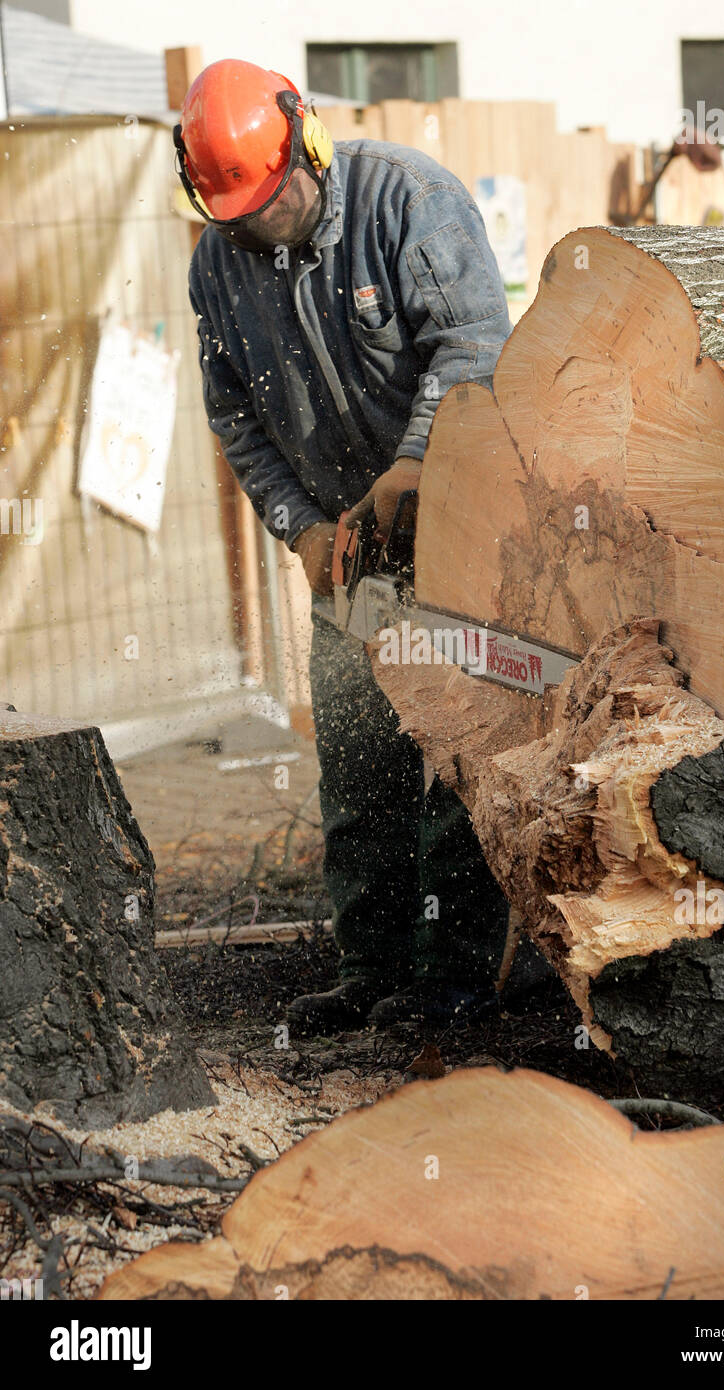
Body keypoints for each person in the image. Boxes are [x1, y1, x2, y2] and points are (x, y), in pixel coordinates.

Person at [177, 59, 512, 1033]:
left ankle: (455, 975)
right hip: (345, 547)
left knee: (456, 755)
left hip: (455, 522)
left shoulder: (407, 199)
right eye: (239, 208)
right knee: (360, 764)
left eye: (273, 195)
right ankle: (370, 967)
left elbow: (472, 348)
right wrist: (302, 529)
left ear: (305, 141)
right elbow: (234, 415)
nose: (262, 218)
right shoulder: (216, 264)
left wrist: (411, 466)